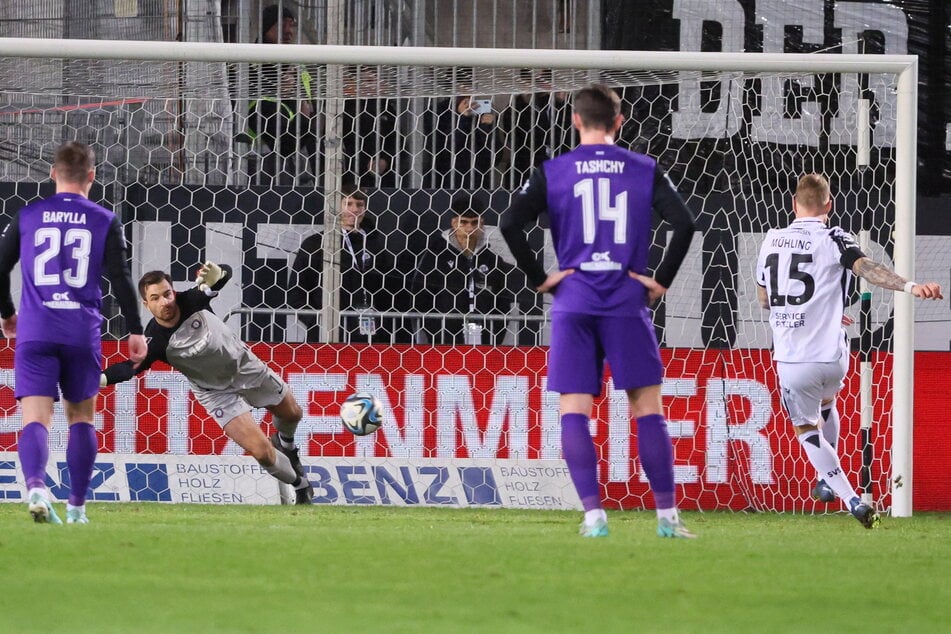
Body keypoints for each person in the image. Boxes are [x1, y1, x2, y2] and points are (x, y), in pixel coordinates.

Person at [500, 84, 698, 538]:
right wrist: (660, 280)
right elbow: (685, 222)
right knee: (646, 407)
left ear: (575, 120)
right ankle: (666, 519)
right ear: (619, 121)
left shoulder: (554, 170)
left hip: (574, 299)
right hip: (626, 299)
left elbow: (510, 222)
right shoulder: (643, 167)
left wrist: (541, 276)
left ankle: (593, 518)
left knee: (575, 408)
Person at [755, 173, 943, 529]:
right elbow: (868, 270)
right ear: (829, 205)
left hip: (793, 360)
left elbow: (765, 300)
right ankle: (826, 480)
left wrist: (806, 310)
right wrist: (911, 286)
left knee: (806, 430)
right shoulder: (835, 237)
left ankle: (851, 498)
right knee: (827, 406)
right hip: (833, 357)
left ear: (794, 204)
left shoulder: (771, 240)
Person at [0, 141, 147, 525]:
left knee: (35, 417)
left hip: (36, 330)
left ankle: (35, 486)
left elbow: (0, 269)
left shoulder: (29, 215)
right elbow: (121, 278)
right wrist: (135, 330)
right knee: (81, 417)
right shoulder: (104, 219)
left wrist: (8, 314)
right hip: (81, 331)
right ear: (92, 177)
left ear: (52, 173)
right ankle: (77, 507)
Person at [101, 265, 314, 505]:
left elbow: (218, 279)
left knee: (293, 413)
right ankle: (302, 486)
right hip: (215, 393)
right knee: (262, 452)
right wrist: (100, 379)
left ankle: (288, 445)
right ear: (146, 304)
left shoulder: (192, 300)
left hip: (244, 367)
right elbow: (129, 368)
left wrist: (219, 273)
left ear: (173, 291)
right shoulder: (155, 340)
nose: (165, 302)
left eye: (167, 293)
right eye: (155, 298)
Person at [288, 186, 406, 344]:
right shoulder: (317, 244)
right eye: (348, 204)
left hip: (368, 334)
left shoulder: (374, 245)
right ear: (337, 207)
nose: (355, 209)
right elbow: (296, 290)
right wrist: (316, 322)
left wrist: (383, 326)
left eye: (359, 204)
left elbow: (387, 291)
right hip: (326, 334)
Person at [410, 193, 523, 346]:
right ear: (454, 223)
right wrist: (436, 334)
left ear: (482, 224)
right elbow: (420, 298)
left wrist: (492, 340)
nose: (469, 228)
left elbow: (503, 305)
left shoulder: (492, 260)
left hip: (483, 345)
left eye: (474, 222)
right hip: (444, 343)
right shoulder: (435, 256)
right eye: (464, 222)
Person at [247, 4, 317, 185]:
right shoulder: (249, 65)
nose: (288, 32)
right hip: (262, 167)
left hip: (302, 164)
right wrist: (304, 117)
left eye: (291, 26)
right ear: (266, 28)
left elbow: (312, 107)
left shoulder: (297, 65)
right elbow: (284, 145)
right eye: (281, 25)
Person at [428, 95, 499, 189]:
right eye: (461, 84)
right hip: (446, 183)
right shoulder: (438, 112)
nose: (466, 90)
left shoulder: (482, 112)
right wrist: (461, 118)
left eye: (469, 84)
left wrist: (487, 129)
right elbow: (443, 152)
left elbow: (495, 158)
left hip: (479, 183)